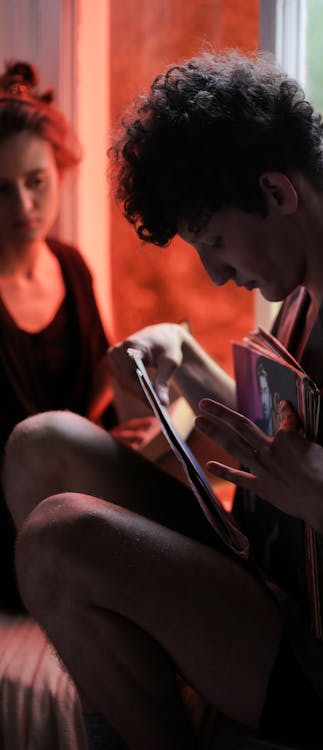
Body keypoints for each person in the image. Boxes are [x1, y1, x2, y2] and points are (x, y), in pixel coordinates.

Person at [3, 51, 323, 750]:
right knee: (41, 444)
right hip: (276, 573)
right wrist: (188, 363)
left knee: (58, 539)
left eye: (216, 240)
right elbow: (292, 445)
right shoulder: (317, 284)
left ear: (279, 192)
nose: (218, 271)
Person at [0, 60, 118, 611]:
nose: (23, 206)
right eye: (1, 189)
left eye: (36, 182)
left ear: (60, 175)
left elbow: (98, 402)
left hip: (72, 495)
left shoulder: (72, 267)